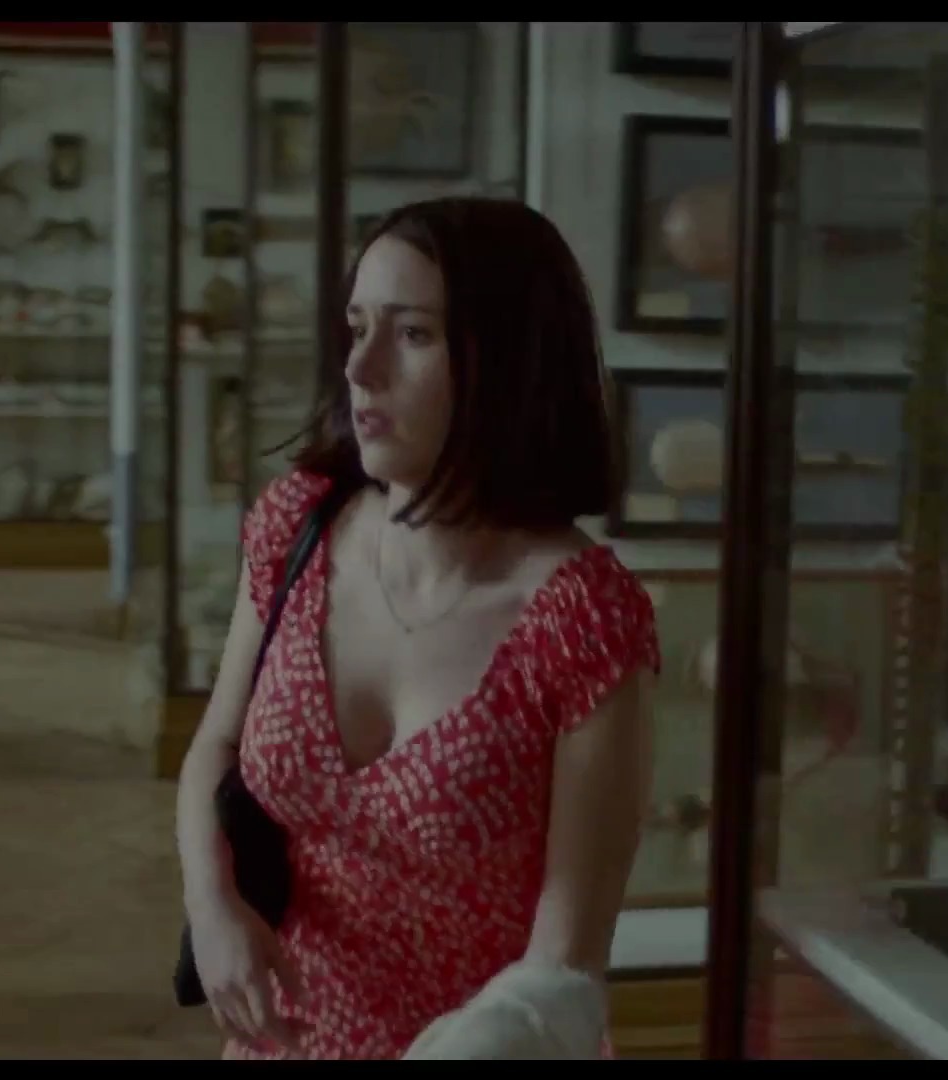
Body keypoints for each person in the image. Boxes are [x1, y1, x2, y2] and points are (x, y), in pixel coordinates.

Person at [173, 196, 660, 1060]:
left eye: (412, 334)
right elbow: (215, 745)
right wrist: (212, 904)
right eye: (357, 327)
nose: (360, 369)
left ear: (508, 362)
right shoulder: (298, 526)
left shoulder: (583, 619)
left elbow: (567, 964)